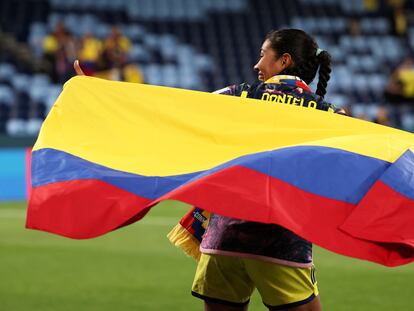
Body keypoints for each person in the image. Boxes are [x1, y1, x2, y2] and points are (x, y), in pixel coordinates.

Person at [74, 28, 341, 311]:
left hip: (224, 240)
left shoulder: (238, 95)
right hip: (281, 244)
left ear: (284, 60)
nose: (256, 63)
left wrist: (100, 97)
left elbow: (173, 113)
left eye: (263, 55)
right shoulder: (329, 115)